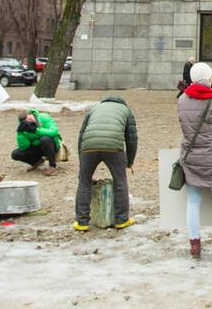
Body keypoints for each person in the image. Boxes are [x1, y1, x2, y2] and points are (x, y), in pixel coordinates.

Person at [178, 62, 212, 258]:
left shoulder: (182, 100)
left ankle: (194, 244)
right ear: (207, 79)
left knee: (193, 201)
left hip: (191, 155)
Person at [73, 96, 138, 232]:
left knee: (84, 181)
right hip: (114, 148)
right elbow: (131, 138)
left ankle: (82, 222)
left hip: (88, 147)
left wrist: (82, 160)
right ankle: (121, 220)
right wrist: (129, 161)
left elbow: (81, 134)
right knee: (120, 182)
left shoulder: (94, 109)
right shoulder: (126, 110)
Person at [12, 109, 61, 175]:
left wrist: (36, 130)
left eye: (29, 118)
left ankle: (53, 166)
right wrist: (20, 133)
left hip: (51, 145)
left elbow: (54, 132)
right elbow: (24, 146)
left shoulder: (43, 117)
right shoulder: (24, 127)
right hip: (38, 148)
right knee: (15, 154)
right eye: (27, 121)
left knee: (44, 139)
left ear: (31, 114)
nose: (30, 120)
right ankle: (37, 162)